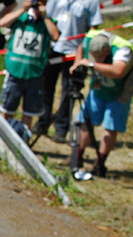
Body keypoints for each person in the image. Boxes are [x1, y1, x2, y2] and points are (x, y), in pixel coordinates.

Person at [69, 30, 133, 178]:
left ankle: (100, 163)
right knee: (86, 120)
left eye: (100, 58)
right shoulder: (90, 37)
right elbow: (81, 47)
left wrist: (92, 65)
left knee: (110, 126)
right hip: (100, 87)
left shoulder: (122, 50)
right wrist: (77, 63)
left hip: (121, 91)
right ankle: (77, 157)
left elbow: (118, 71)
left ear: (107, 51)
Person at [33, 0, 103, 142]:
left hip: (74, 53)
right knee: (46, 88)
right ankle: (43, 122)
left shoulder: (91, 2)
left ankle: (61, 128)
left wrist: (86, 56)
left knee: (69, 92)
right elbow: (45, 16)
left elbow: (93, 30)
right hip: (53, 49)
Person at [0, 0, 59, 131]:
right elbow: (2, 23)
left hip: (34, 75)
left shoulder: (47, 21)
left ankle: (24, 141)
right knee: (8, 109)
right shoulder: (21, 17)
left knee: (29, 113)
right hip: (15, 71)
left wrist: (45, 16)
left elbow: (55, 36)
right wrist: (23, 9)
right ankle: (2, 137)